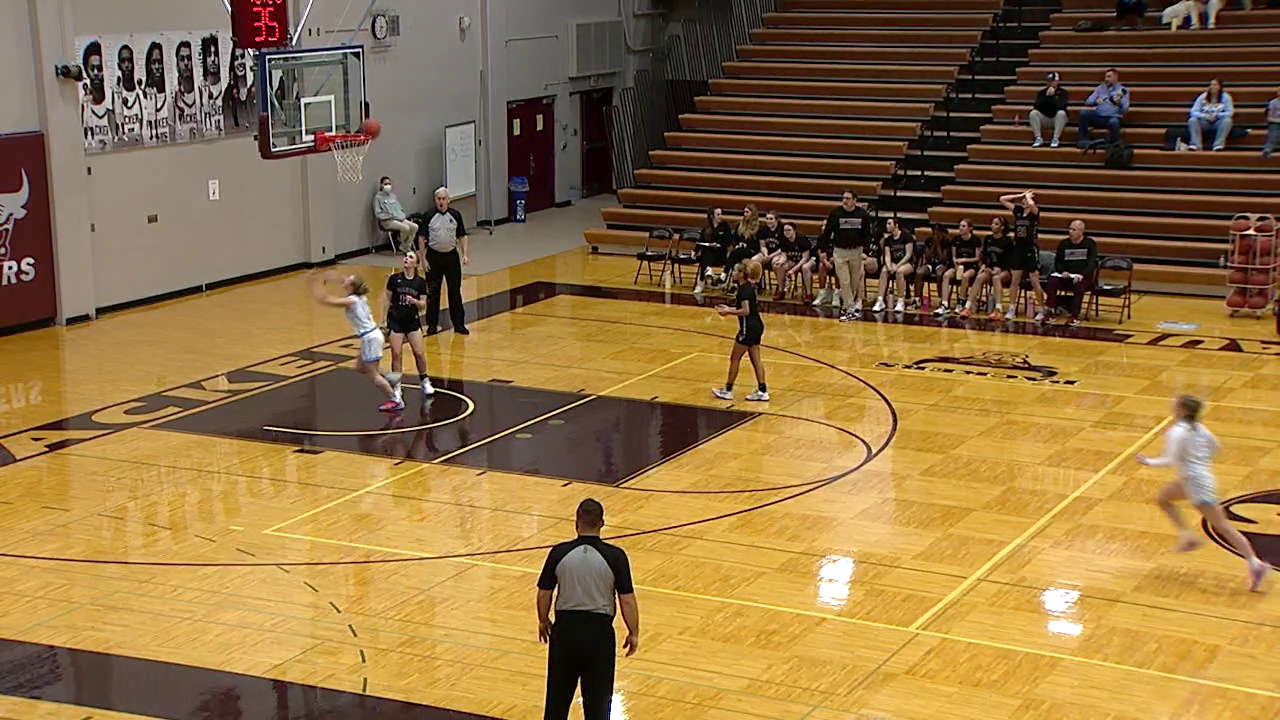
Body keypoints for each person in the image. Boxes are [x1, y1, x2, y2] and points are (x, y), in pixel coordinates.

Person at [1137, 395, 1268, 592]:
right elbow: (1216, 448)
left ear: (1182, 410)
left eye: (1176, 403)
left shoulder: (1177, 432)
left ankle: (1254, 564)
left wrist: (1148, 462)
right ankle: (1188, 535)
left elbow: (1170, 459)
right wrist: (1199, 461)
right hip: (1196, 478)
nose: (1172, 404)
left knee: (1222, 525)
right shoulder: (1201, 429)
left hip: (1196, 483)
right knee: (1163, 499)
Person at [538, 499, 640, 720]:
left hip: (565, 632)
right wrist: (633, 632)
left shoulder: (559, 552)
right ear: (601, 523)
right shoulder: (615, 556)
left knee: (556, 702)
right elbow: (627, 600)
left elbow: (544, 593)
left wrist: (543, 620)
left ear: (576, 522)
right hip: (598, 635)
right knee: (597, 706)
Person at [307, 270, 402, 412]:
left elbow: (325, 300)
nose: (344, 282)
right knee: (360, 366)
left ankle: (395, 399)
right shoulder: (359, 296)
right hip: (372, 335)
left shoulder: (350, 301)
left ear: (351, 287)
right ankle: (390, 377)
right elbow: (344, 279)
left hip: (370, 338)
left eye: (347, 281)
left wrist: (313, 283)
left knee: (373, 375)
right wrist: (330, 276)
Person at [713, 260, 769, 402]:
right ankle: (762, 390)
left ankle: (728, 389)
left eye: (736, 271)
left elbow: (745, 311)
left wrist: (728, 312)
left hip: (748, 328)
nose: (734, 273)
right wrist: (729, 308)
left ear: (742, 274)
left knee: (735, 358)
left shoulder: (744, 290)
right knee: (756, 360)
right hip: (757, 326)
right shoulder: (748, 287)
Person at [383, 251, 435, 401]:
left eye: (410, 257)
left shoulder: (420, 283)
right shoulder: (394, 279)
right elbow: (386, 300)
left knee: (419, 353)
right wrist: (383, 321)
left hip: (412, 321)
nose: (406, 258)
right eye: (406, 256)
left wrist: (414, 301)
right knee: (396, 354)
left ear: (416, 264)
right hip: (396, 320)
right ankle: (397, 387)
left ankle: (424, 380)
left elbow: (423, 305)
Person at [818, 189, 873, 322]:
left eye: (848, 198)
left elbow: (867, 233)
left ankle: (848, 306)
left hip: (856, 251)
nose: (845, 201)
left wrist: (865, 250)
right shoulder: (835, 213)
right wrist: (824, 249)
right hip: (840, 251)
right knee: (844, 281)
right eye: (843, 198)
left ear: (855, 200)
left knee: (854, 281)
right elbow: (827, 232)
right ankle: (850, 310)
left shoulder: (862, 214)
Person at [422, 186, 470, 335]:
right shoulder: (428, 216)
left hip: (451, 257)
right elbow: (421, 238)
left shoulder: (455, 215)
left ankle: (459, 324)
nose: (441, 202)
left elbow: (462, 235)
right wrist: (423, 259)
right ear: (435, 200)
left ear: (448, 200)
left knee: (454, 291)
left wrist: (464, 254)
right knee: (433, 292)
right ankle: (432, 325)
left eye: (444, 199)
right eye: (438, 199)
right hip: (434, 257)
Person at [1002, 190, 1047, 322]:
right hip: (1018, 249)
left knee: (1034, 280)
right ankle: (1011, 308)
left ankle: (1042, 309)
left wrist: (1029, 197)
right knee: (1015, 281)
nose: (1024, 201)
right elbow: (1003, 199)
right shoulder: (1018, 211)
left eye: (1026, 200)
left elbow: (1033, 205)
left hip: (1030, 249)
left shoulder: (1034, 213)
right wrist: (1021, 195)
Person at [1046, 219, 1099, 327]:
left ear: (1081, 231)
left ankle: (1074, 315)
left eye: (1073, 230)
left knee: (1079, 285)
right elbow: (1058, 261)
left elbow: (1092, 263)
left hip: (1082, 277)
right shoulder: (1064, 244)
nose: (1070, 232)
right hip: (1066, 275)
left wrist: (1082, 274)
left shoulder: (1090, 244)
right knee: (1052, 281)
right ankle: (1051, 310)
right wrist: (1063, 271)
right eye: (1069, 229)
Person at [960, 218, 1012, 320]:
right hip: (990, 268)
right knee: (979, 277)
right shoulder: (988, 239)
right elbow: (983, 255)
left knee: (996, 278)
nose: (992, 225)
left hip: (1004, 270)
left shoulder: (1007, 241)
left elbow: (1010, 259)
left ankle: (998, 309)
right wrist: (983, 265)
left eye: (996, 224)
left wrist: (1000, 268)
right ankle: (967, 307)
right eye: (992, 223)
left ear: (1002, 227)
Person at [936, 220, 979, 317]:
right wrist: (955, 262)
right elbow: (954, 256)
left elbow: (977, 258)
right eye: (960, 226)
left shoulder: (975, 240)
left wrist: (964, 260)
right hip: (957, 266)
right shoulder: (955, 239)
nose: (960, 228)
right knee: (946, 275)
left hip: (971, 266)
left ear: (970, 228)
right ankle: (945, 304)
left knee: (965, 276)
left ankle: (961, 302)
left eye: (963, 226)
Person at [1077, 68, 1129, 147]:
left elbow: (1125, 109)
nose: (1106, 79)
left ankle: (1112, 145)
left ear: (1115, 77)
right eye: (1105, 77)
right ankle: (1083, 140)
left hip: (1113, 117)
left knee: (1114, 122)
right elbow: (1087, 102)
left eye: (1109, 77)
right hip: (1099, 116)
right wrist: (1095, 101)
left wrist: (1119, 104)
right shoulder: (1100, 88)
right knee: (1083, 113)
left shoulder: (1122, 90)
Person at [873, 218, 914, 314]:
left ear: (896, 225)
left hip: (907, 263)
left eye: (889, 224)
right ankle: (880, 300)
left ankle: (900, 301)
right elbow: (887, 255)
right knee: (884, 271)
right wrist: (888, 266)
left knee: (900, 272)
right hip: (894, 262)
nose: (887, 226)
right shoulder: (888, 240)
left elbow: (908, 254)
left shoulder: (906, 236)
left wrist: (897, 266)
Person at [80, 40, 115, 152]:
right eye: (92, 68)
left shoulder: (110, 105)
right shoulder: (83, 106)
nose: (96, 73)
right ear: (86, 70)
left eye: (100, 69)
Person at [373, 177, 419, 253]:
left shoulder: (393, 196)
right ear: (381, 185)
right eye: (385, 184)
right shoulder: (377, 198)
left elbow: (400, 209)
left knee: (415, 227)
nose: (388, 186)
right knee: (406, 228)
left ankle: (406, 246)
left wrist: (402, 216)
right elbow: (378, 213)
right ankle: (400, 242)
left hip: (399, 219)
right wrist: (389, 216)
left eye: (389, 184)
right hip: (387, 221)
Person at [1187, 78, 1234, 152]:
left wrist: (1217, 115)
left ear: (1220, 87)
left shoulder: (1226, 97)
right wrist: (1205, 116)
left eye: (1215, 85)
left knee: (1227, 121)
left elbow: (1230, 112)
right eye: (1210, 85)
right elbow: (1193, 111)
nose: (1212, 87)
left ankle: (1218, 145)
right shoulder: (1203, 96)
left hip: (1218, 122)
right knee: (1192, 120)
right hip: (1205, 121)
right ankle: (1196, 145)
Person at [694, 206, 733, 294]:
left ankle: (702, 280)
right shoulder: (707, 227)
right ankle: (702, 281)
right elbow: (701, 241)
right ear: (712, 216)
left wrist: (719, 244)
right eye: (718, 214)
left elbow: (729, 241)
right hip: (708, 254)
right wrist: (694, 251)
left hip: (720, 254)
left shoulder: (725, 226)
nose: (720, 216)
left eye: (721, 214)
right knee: (705, 252)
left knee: (705, 255)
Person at [914, 223, 952, 310]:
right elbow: (927, 257)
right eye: (934, 232)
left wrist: (938, 245)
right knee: (919, 272)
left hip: (942, 264)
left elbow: (943, 258)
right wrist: (933, 246)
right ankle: (917, 299)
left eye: (937, 233)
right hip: (930, 264)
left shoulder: (946, 242)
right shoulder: (929, 240)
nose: (935, 235)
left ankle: (941, 299)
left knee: (939, 274)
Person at [141, 41, 172, 146]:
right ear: (149, 66)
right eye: (154, 62)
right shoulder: (143, 98)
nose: (157, 66)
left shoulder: (171, 96)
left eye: (160, 62)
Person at [112, 43, 144, 145]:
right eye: (123, 61)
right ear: (118, 66)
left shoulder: (140, 93)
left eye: (129, 61)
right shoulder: (114, 94)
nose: (126, 65)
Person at [222, 47, 258, 133]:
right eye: (236, 59)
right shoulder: (228, 95)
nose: (240, 62)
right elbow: (228, 128)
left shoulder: (258, 88)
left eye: (242, 57)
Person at [1030, 72, 1068, 148]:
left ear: (1057, 81)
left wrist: (1053, 97)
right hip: (1045, 118)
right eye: (1048, 81)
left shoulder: (1063, 93)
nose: (1050, 83)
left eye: (1052, 81)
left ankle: (1055, 138)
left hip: (1057, 119)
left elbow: (1061, 106)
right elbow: (1037, 106)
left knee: (1061, 113)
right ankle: (1038, 138)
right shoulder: (1041, 93)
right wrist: (1047, 97)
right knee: (1033, 113)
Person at [172, 40, 200, 142]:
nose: (186, 63)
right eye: (182, 59)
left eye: (189, 58)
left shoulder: (201, 93)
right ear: (177, 65)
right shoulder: (172, 99)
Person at [198, 34, 225, 138]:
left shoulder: (225, 87)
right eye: (209, 55)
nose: (213, 59)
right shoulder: (200, 88)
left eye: (216, 54)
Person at [781, 221, 813, 302]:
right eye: (785, 230)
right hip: (793, 260)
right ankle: (781, 290)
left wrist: (793, 270)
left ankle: (809, 294)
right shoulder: (783, 240)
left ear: (794, 231)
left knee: (804, 268)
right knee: (780, 266)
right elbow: (784, 257)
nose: (786, 232)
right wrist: (780, 262)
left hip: (805, 261)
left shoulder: (802, 240)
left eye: (789, 230)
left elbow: (805, 258)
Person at [1265, 86, 1280, 159]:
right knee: (1274, 133)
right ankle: (1268, 149)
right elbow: (1269, 117)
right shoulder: (1273, 103)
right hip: (1275, 123)